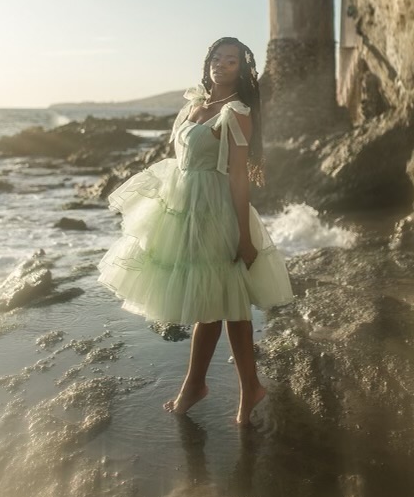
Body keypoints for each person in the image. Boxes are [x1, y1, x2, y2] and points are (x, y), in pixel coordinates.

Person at [97, 36, 294, 425]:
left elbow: (238, 178)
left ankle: (201, 386)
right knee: (222, 300)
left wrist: (244, 234)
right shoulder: (194, 105)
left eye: (232, 61)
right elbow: (179, 156)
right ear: (208, 63)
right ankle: (234, 386)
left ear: (243, 70)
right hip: (183, 210)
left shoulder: (236, 112)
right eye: (217, 58)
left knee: (219, 298)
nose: (222, 65)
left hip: (215, 210)